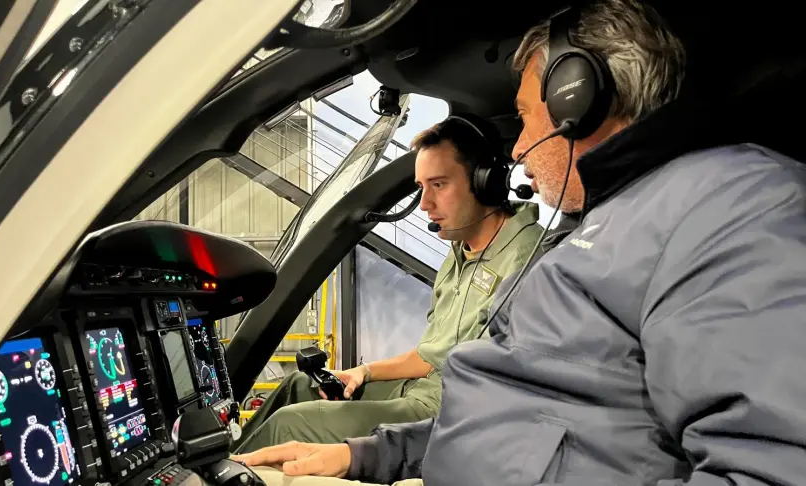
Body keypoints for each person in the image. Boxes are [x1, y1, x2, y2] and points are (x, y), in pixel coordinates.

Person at [233, 0, 806, 485]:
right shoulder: (600, 226)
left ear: (580, 104)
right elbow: (504, 408)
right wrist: (365, 453)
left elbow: (771, 462)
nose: (523, 144)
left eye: (529, 118)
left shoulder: (730, 208)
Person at [231, 115, 545, 454]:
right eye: (422, 187)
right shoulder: (460, 254)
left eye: (439, 185)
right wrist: (362, 372)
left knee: (290, 423)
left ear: (486, 182)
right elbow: (429, 355)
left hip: (450, 411)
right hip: (418, 390)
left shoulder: (527, 259)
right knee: (297, 385)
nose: (425, 204)